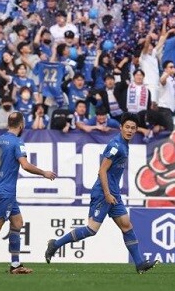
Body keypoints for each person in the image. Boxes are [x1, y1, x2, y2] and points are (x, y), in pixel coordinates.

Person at [44, 112, 158, 274]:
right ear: (121, 128)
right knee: (91, 229)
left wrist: (112, 193)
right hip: (103, 193)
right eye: (127, 127)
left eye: (133, 128)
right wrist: (106, 193)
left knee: (127, 226)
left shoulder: (125, 144)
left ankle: (139, 264)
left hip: (113, 193)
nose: (130, 130)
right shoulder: (116, 145)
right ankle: (55, 244)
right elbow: (102, 171)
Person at [0, 112, 56, 275]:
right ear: (21, 124)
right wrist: (43, 173)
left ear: (7, 124)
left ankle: (16, 265)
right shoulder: (17, 142)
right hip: (6, 192)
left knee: (17, 223)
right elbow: (25, 165)